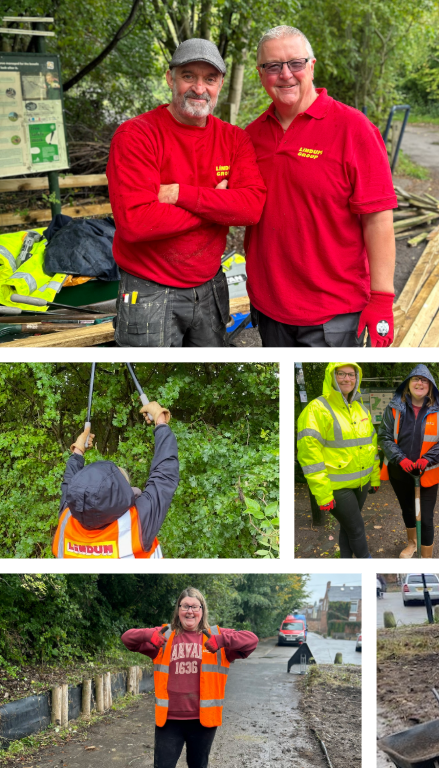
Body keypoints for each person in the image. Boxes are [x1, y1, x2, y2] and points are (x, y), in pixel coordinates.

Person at [243, 25, 397, 347]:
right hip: (270, 309)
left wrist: (382, 298)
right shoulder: (250, 137)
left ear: (312, 66)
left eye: (295, 63)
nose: (285, 75)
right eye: (273, 66)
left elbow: (378, 218)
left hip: (333, 315)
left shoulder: (354, 129)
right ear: (260, 74)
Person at [106, 39, 266, 347]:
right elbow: (137, 223)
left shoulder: (234, 139)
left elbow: (251, 208)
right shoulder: (136, 135)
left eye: (210, 79)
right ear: (170, 78)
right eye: (188, 76)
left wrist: (182, 194)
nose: (199, 88)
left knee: (209, 376)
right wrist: (217, 206)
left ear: (220, 83)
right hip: (149, 289)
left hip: (210, 286)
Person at [121, 586, 259, 768]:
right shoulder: (164, 636)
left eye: (195, 607)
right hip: (169, 720)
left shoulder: (216, 636)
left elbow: (251, 640)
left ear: (202, 610)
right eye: (185, 606)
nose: (190, 611)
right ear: (178, 609)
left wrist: (223, 642)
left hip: (203, 720)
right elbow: (128, 638)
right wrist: (149, 635)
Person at [53, 401, 178, 559]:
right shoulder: (137, 524)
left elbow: (69, 484)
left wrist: (78, 451)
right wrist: (160, 422)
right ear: (121, 497)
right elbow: (165, 474)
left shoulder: (67, 519)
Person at [297, 362, 380, 558]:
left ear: (357, 378)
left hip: (361, 483)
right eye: (341, 374)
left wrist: (374, 478)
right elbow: (310, 455)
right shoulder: (317, 409)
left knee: (348, 527)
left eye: (351, 374)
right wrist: (323, 494)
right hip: (337, 486)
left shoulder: (361, 409)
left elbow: (371, 445)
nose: (347, 379)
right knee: (357, 529)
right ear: (332, 376)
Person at [378, 365, 439, 558]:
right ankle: (412, 544)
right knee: (408, 511)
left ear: (431, 386)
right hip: (400, 472)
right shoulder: (394, 407)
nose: (419, 383)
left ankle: (426, 557)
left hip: (427, 473)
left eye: (424, 380)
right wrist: (400, 459)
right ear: (408, 384)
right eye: (415, 379)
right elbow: (385, 436)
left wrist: (427, 459)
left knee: (426, 517)